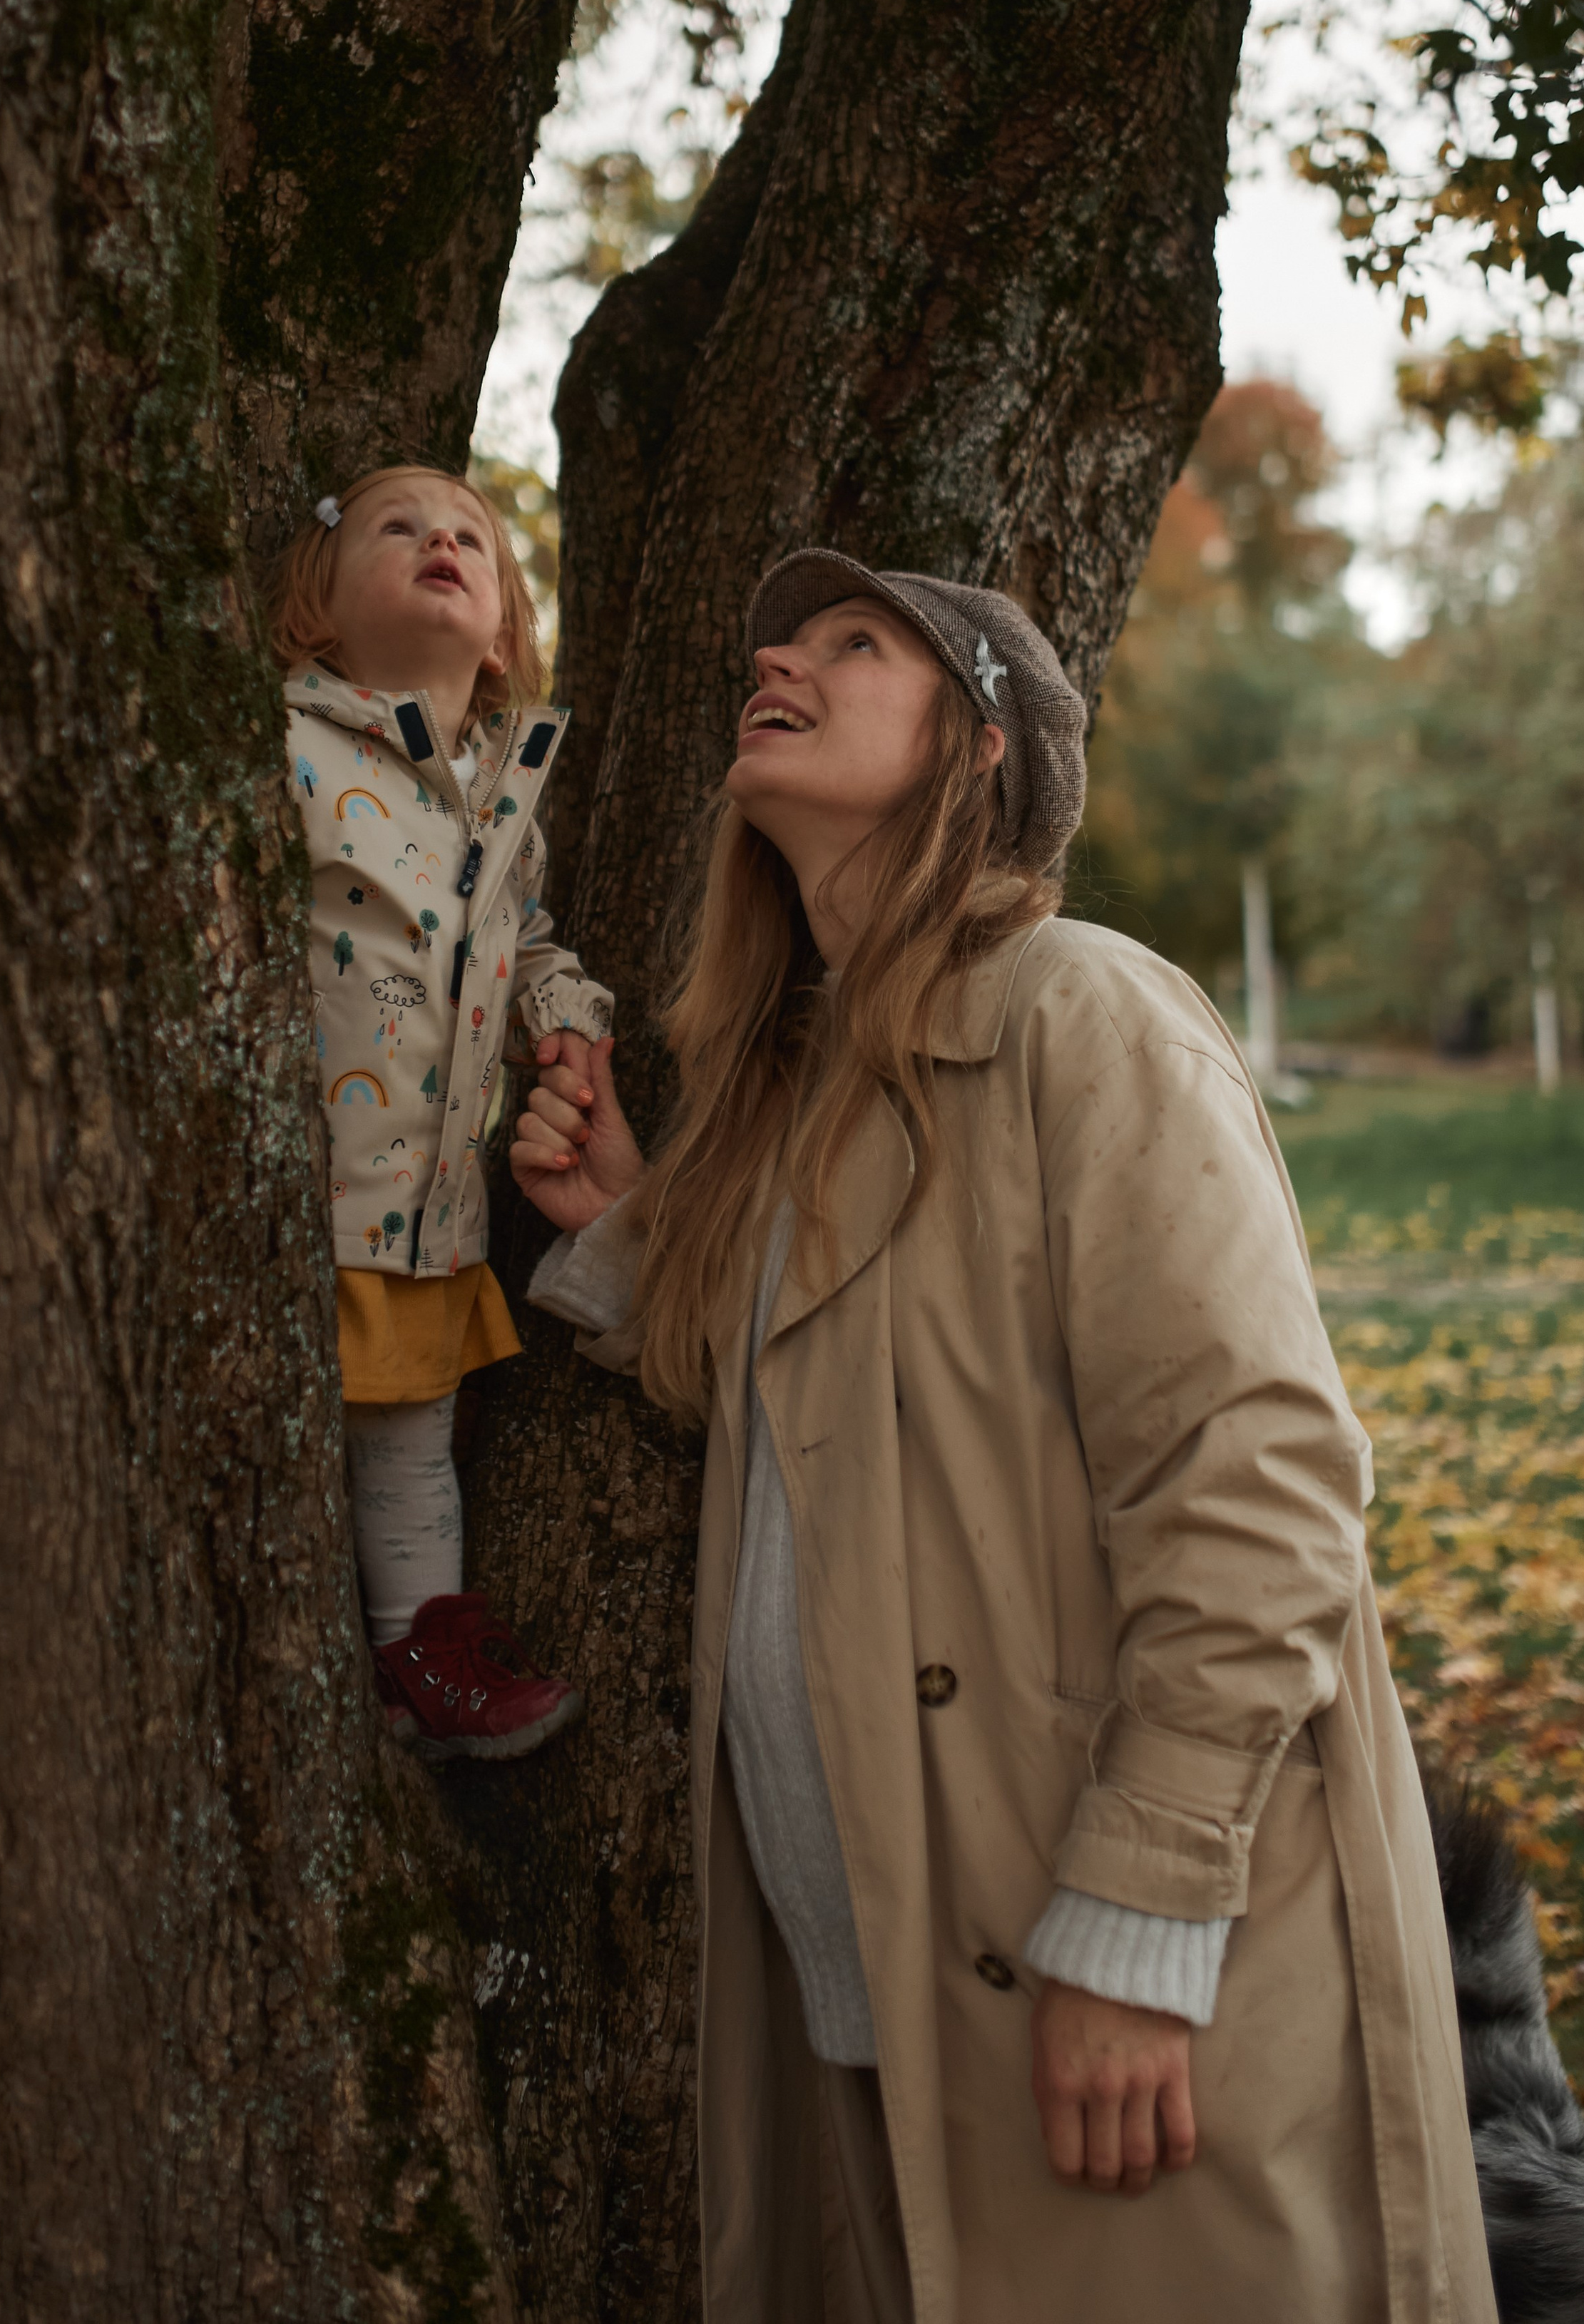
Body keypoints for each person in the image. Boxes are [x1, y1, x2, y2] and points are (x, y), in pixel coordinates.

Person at [512, 548, 1493, 2323]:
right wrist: (634, 1229)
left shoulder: (1085, 1013)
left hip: (1116, 1992)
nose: (774, 661)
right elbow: (851, 1421)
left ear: (978, 750)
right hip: (877, 2004)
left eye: (852, 644)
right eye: (776, 639)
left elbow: (1256, 1490)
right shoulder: (807, 1093)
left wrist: (1137, 1919)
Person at [273, 462, 611, 1761]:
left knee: (413, 1446)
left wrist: (562, 1009)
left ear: (508, 628)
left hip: (430, 1207)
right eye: (397, 527)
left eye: (471, 535)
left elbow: (518, 937)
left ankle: (422, 1653)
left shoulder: (500, 791)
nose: (441, 542)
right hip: (310, 1192)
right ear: (318, 605)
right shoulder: (294, 747)